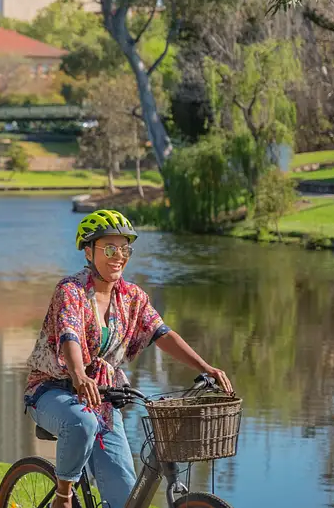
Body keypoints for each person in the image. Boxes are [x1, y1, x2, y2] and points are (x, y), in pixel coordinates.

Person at [24, 209, 234, 508]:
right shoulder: (70, 291)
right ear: (88, 251)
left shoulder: (132, 297)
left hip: (104, 400)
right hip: (53, 391)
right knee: (81, 422)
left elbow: (162, 333)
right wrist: (79, 374)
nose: (119, 256)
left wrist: (206, 367)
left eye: (125, 249)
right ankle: (63, 495)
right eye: (110, 248)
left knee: (126, 501)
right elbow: (69, 334)